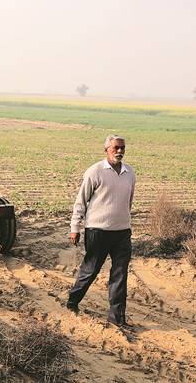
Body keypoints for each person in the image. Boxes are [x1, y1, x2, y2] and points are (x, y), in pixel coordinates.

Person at [66, 135, 136, 327]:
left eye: (122, 148)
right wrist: (75, 227)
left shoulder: (130, 172)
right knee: (91, 270)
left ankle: (117, 318)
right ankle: (73, 300)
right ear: (106, 149)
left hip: (122, 232)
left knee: (120, 275)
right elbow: (81, 201)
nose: (120, 151)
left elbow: (128, 202)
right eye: (116, 148)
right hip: (98, 231)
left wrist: (124, 221)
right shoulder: (95, 171)